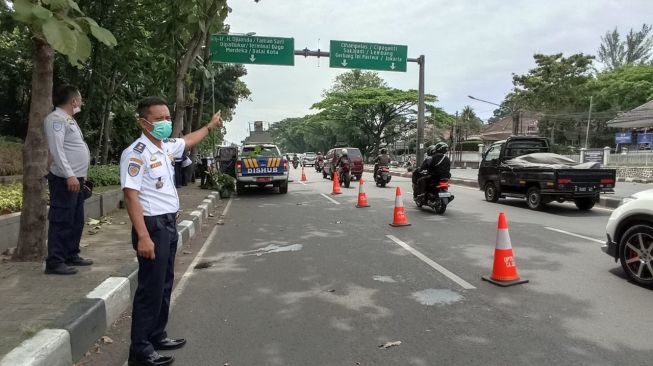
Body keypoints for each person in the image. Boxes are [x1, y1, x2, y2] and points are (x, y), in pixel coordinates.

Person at [120, 97, 222, 366]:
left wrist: (210, 125)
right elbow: (130, 197)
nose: (166, 122)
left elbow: (189, 140)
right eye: (159, 119)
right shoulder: (136, 152)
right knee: (150, 289)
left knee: (165, 283)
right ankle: (140, 351)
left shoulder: (165, 147)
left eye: (167, 117)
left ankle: (156, 335)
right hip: (151, 226)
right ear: (144, 122)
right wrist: (142, 236)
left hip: (167, 223)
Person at [44, 85, 93, 275]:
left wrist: (81, 177)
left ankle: (71, 254)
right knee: (62, 219)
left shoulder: (68, 119)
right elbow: (57, 150)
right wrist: (70, 175)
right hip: (65, 179)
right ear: (74, 101)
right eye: (80, 99)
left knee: (76, 219)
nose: (81, 102)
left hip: (76, 179)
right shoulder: (55, 119)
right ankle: (55, 261)